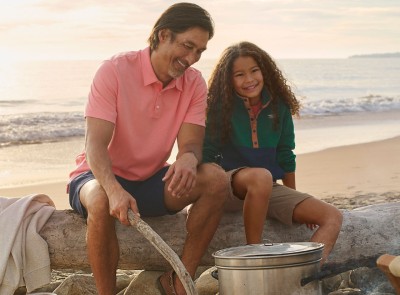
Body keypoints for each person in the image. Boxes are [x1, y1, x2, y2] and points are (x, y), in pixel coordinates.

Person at [67, 3, 230, 295]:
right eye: (187, 46)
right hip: (97, 177)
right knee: (102, 200)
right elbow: (95, 146)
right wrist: (115, 190)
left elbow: (191, 144)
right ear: (162, 35)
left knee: (216, 179)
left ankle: (179, 281)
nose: (191, 58)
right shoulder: (114, 70)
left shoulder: (194, 83)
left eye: (200, 52)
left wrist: (188, 160)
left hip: (151, 179)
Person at [203, 41, 343, 263]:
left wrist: (294, 200)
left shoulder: (279, 107)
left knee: (332, 216)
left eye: (254, 71)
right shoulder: (220, 107)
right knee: (261, 176)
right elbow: (207, 153)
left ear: (264, 70)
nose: (249, 79)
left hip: (265, 188)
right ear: (228, 79)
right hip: (228, 186)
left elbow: (286, 153)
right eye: (239, 74)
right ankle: (254, 253)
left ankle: (305, 274)